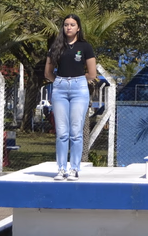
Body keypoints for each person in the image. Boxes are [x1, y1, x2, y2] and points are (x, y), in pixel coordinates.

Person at [44, 14, 97, 181]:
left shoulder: (85, 47)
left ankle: (74, 168)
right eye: (66, 24)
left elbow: (92, 73)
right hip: (59, 89)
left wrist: (77, 81)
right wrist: (60, 82)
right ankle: (61, 168)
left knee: (76, 132)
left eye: (72, 25)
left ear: (78, 28)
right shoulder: (56, 46)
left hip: (79, 89)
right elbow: (48, 72)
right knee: (61, 132)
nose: (69, 27)